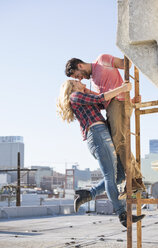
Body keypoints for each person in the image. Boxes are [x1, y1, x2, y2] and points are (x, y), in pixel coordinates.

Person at [57, 79, 145, 227]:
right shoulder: (75, 96)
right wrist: (122, 88)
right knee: (110, 177)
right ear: (71, 87)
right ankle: (122, 214)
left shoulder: (82, 97)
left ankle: (88, 194)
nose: (80, 81)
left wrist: (130, 101)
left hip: (101, 135)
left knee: (121, 175)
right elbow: (100, 98)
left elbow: (105, 103)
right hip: (97, 135)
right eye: (75, 81)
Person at [65, 55, 146, 198]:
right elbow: (102, 101)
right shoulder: (93, 82)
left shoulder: (102, 60)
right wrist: (131, 101)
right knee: (119, 143)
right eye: (77, 78)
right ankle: (135, 180)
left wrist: (128, 47)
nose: (80, 79)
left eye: (78, 76)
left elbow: (124, 64)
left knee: (119, 142)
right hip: (113, 108)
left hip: (118, 103)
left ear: (80, 66)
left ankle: (134, 181)